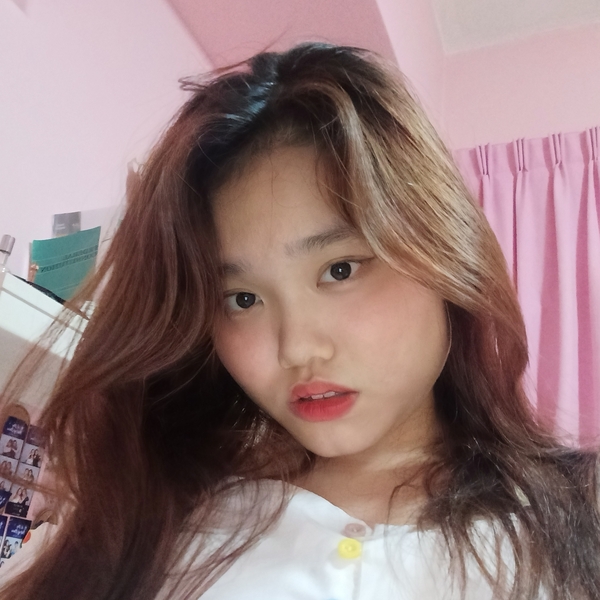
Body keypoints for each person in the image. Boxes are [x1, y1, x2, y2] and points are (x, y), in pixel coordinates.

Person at [0, 42, 599, 600]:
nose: (296, 348)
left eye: (340, 270)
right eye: (241, 299)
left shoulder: (576, 516)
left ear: (443, 251)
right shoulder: (159, 514)